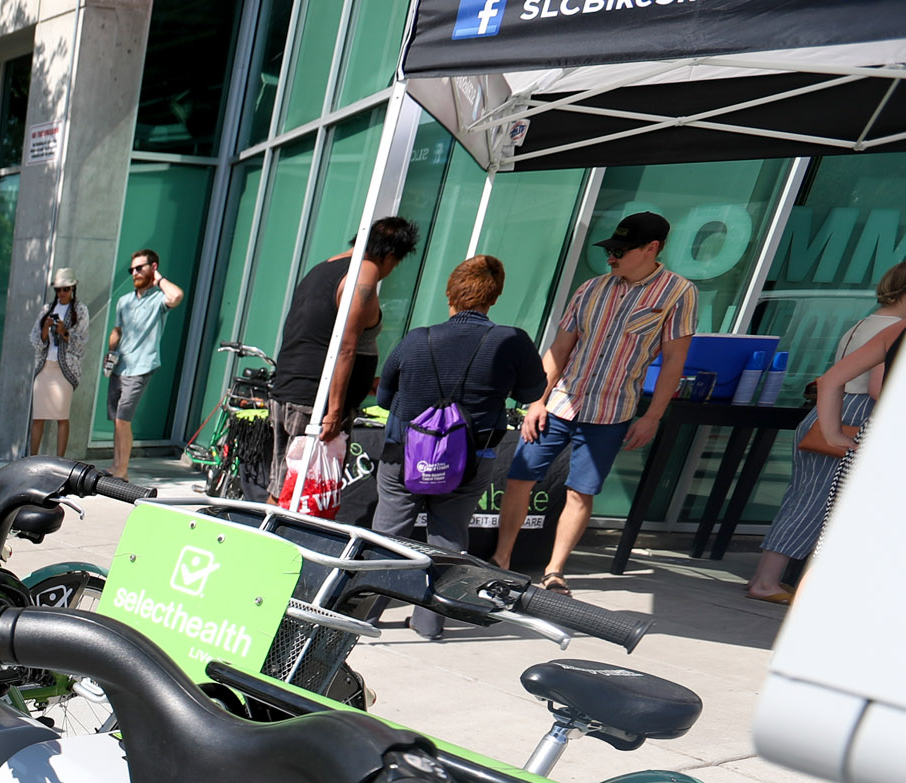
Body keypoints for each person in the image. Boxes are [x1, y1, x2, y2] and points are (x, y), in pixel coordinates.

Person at [492, 211, 696, 591]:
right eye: (610, 249)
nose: (611, 257)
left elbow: (673, 364)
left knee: (581, 490)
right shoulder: (590, 289)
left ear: (652, 248)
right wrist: (536, 400)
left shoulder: (678, 293)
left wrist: (653, 416)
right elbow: (559, 350)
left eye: (620, 250)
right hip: (560, 403)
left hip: (612, 410)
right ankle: (501, 558)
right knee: (520, 477)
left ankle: (554, 570)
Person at [369, 256, 547, 638]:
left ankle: (365, 613)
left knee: (386, 537)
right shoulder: (512, 341)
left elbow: (384, 399)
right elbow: (532, 391)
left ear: (450, 294)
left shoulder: (417, 339)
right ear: (494, 298)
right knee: (448, 539)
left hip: (404, 457)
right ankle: (429, 622)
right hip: (469, 460)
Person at [747, 266, 906, 604]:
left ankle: (766, 578)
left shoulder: (866, 322)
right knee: (817, 504)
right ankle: (768, 582)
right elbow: (879, 387)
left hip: (828, 412)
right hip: (854, 414)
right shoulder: (895, 329)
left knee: (804, 498)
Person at [269, 217, 421, 470]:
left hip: (291, 390)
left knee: (285, 486)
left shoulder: (324, 267)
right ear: (390, 255)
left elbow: (317, 333)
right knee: (307, 493)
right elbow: (345, 346)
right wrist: (334, 412)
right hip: (315, 402)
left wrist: (364, 379)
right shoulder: (366, 269)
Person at [106, 249, 183, 478]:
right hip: (120, 365)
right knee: (117, 420)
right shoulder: (124, 301)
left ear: (153, 267)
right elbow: (117, 330)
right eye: (132, 269)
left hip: (141, 366)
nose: (135, 273)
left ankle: (122, 470)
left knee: (123, 418)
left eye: (140, 268)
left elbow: (177, 296)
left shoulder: (159, 299)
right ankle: (117, 465)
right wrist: (110, 353)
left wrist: (160, 280)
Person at [28, 269, 89, 457]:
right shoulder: (47, 309)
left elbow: (83, 341)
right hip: (44, 368)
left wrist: (64, 331)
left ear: (73, 288)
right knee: (38, 416)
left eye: (65, 289)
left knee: (62, 417)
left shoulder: (80, 310)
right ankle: (32, 457)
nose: (61, 293)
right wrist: (46, 329)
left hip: (65, 370)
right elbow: (34, 338)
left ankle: (60, 460)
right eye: (58, 289)